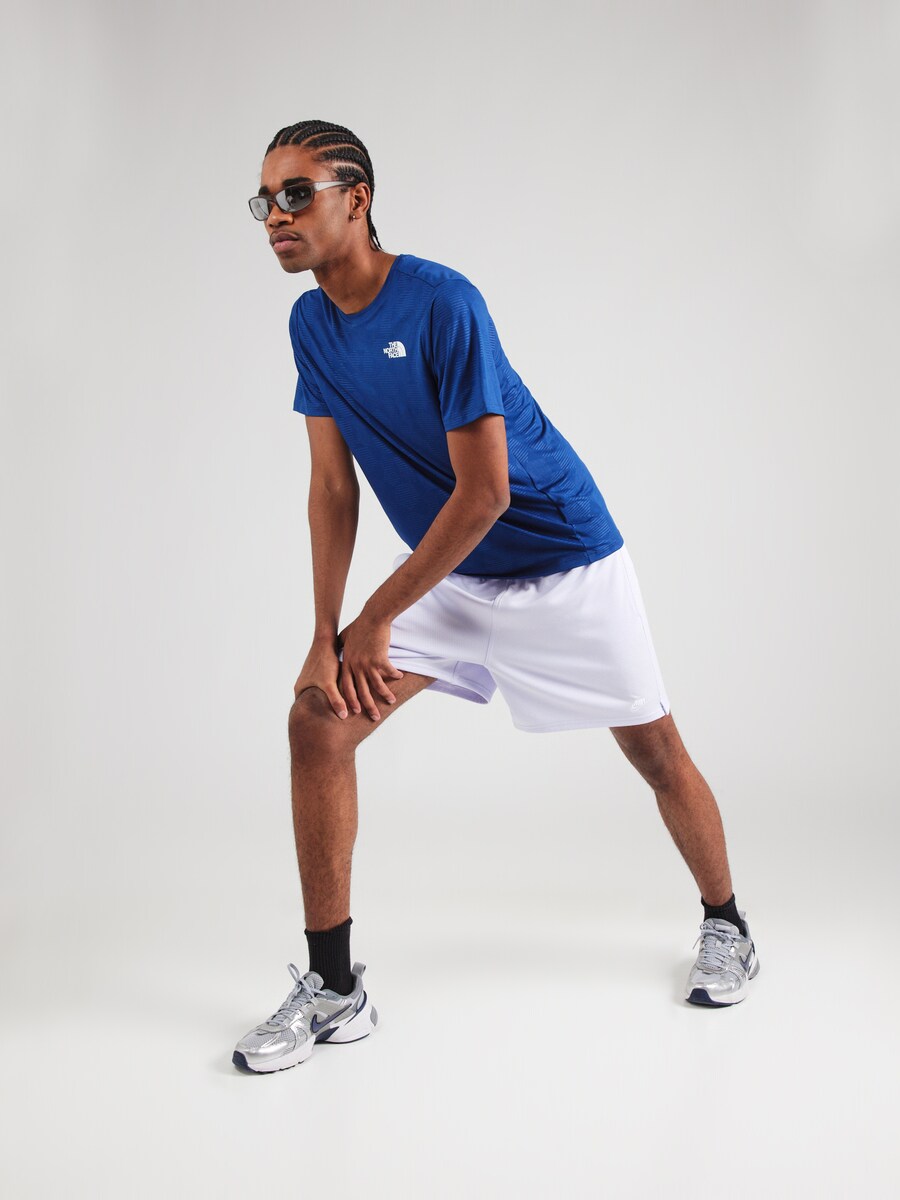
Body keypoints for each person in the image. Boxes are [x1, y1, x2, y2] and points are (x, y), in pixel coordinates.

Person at [232, 120, 760, 1075]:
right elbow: (332, 488)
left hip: (564, 561)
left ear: (357, 199)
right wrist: (325, 633)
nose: (276, 215)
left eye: (297, 193)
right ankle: (335, 990)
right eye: (264, 200)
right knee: (317, 723)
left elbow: (487, 494)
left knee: (654, 751)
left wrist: (377, 616)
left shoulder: (444, 303)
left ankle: (727, 924)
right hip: (452, 574)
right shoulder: (310, 326)